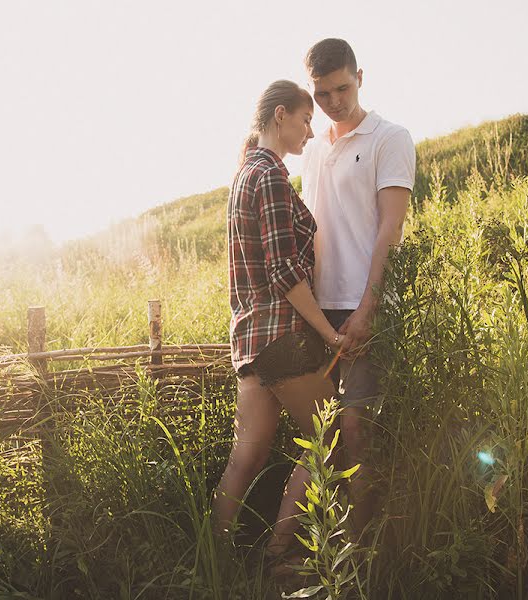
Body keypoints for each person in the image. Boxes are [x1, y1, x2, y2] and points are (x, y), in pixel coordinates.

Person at [212, 79, 351, 562]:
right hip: (281, 336)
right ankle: (277, 555)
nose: (311, 132)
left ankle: (215, 563)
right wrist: (329, 332)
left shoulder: (242, 175)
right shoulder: (270, 175)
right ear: (280, 116)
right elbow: (284, 272)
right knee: (327, 436)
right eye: (307, 119)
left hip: (249, 341)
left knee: (246, 457)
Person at [301, 38, 416, 535]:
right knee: (315, 435)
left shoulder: (389, 138)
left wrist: (369, 306)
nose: (334, 102)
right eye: (323, 94)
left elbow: (389, 230)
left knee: (356, 430)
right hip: (314, 310)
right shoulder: (308, 149)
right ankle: (322, 544)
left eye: (342, 88)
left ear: (361, 76)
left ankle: (361, 548)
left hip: (362, 303)